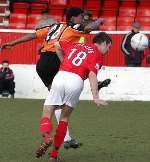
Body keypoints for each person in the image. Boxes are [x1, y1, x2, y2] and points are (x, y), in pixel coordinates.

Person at [1, 7, 110, 151]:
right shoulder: (75, 27)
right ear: (73, 18)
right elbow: (90, 27)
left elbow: (33, 35)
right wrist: (100, 21)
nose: (83, 19)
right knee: (69, 85)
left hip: (42, 64)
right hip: (56, 60)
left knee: (57, 99)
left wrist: (13, 43)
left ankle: (64, 138)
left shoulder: (54, 26)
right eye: (81, 17)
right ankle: (60, 139)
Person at [38, 32, 112, 162]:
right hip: (76, 80)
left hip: (60, 76)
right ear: (104, 43)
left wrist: (63, 61)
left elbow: (56, 44)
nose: (108, 50)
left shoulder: (77, 45)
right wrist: (95, 96)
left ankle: (46, 138)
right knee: (64, 118)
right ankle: (53, 156)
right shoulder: (97, 55)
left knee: (47, 112)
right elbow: (92, 75)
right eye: (109, 47)